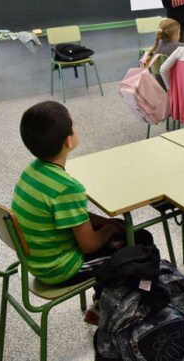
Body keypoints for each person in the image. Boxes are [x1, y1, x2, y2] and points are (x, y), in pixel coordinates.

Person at [11, 101, 152, 286]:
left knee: (119, 226)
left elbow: (72, 215)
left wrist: (105, 222)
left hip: (37, 262)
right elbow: (90, 245)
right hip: (62, 269)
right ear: (68, 141)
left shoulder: (31, 171)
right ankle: (120, 305)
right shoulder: (68, 188)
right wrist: (108, 229)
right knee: (141, 243)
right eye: (73, 125)